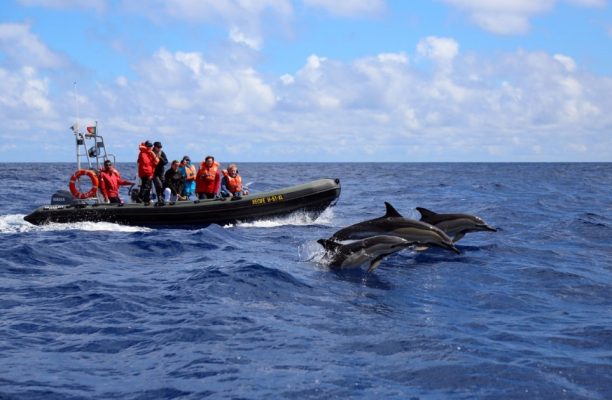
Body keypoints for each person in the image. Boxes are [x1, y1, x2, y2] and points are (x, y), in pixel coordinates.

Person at [137, 140, 159, 205]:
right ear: (146, 146)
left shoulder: (149, 153)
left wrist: (152, 154)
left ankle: (147, 199)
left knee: (148, 187)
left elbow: (156, 162)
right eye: (148, 146)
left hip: (149, 173)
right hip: (146, 173)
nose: (150, 147)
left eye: (151, 146)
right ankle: (139, 199)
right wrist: (149, 174)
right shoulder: (143, 153)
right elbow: (146, 165)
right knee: (145, 186)